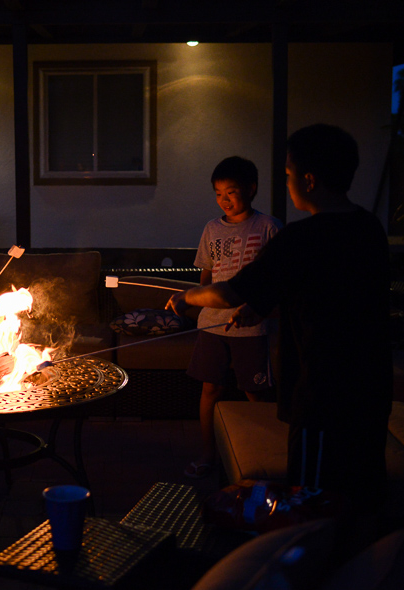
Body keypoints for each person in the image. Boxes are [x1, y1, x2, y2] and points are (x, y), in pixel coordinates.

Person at [167, 124, 392, 523]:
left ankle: (321, 567)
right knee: (363, 490)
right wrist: (263, 305)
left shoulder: (299, 237)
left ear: (308, 179)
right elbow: (322, 292)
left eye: (288, 174)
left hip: (324, 392)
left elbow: (230, 292)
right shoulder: (369, 228)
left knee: (315, 499)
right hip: (371, 386)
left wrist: (186, 298)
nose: (287, 182)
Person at [183, 156, 281, 479]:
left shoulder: (268, 227)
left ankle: (262, 456)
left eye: (232, 192)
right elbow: (207, 278)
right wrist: (195, 303)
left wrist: (258, 308)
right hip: (213, 325)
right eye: (218, 193)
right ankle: (209, 453)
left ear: (251, 190)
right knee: (210, 389)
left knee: (256, 393)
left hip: (251, 328)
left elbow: (275, 282)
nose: (224, 200)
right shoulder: (212, 229)